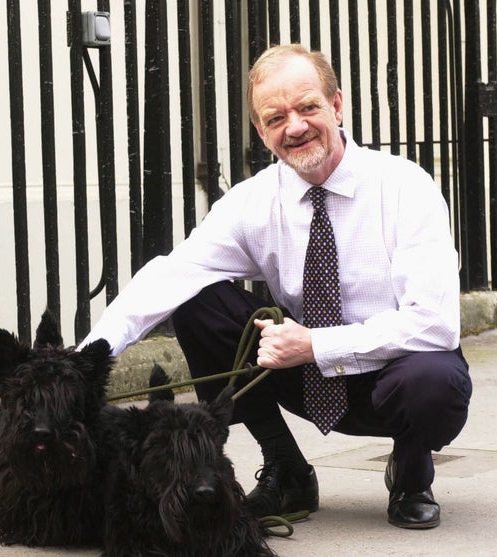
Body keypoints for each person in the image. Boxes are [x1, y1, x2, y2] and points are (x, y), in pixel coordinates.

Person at [79, 43, 472, 529]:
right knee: (197, 301)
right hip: (301, 377)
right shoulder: (253, 202)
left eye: (308, 107)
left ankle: (412, 474)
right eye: (275, 117)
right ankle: (286, 469)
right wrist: (84, 364)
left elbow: (435, 324)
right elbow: (168, 276)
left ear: (337, 105)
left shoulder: (405, 188)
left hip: (392, 377)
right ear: (261, 132)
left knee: (431, 380)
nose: (296, 126)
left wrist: (317, 344)